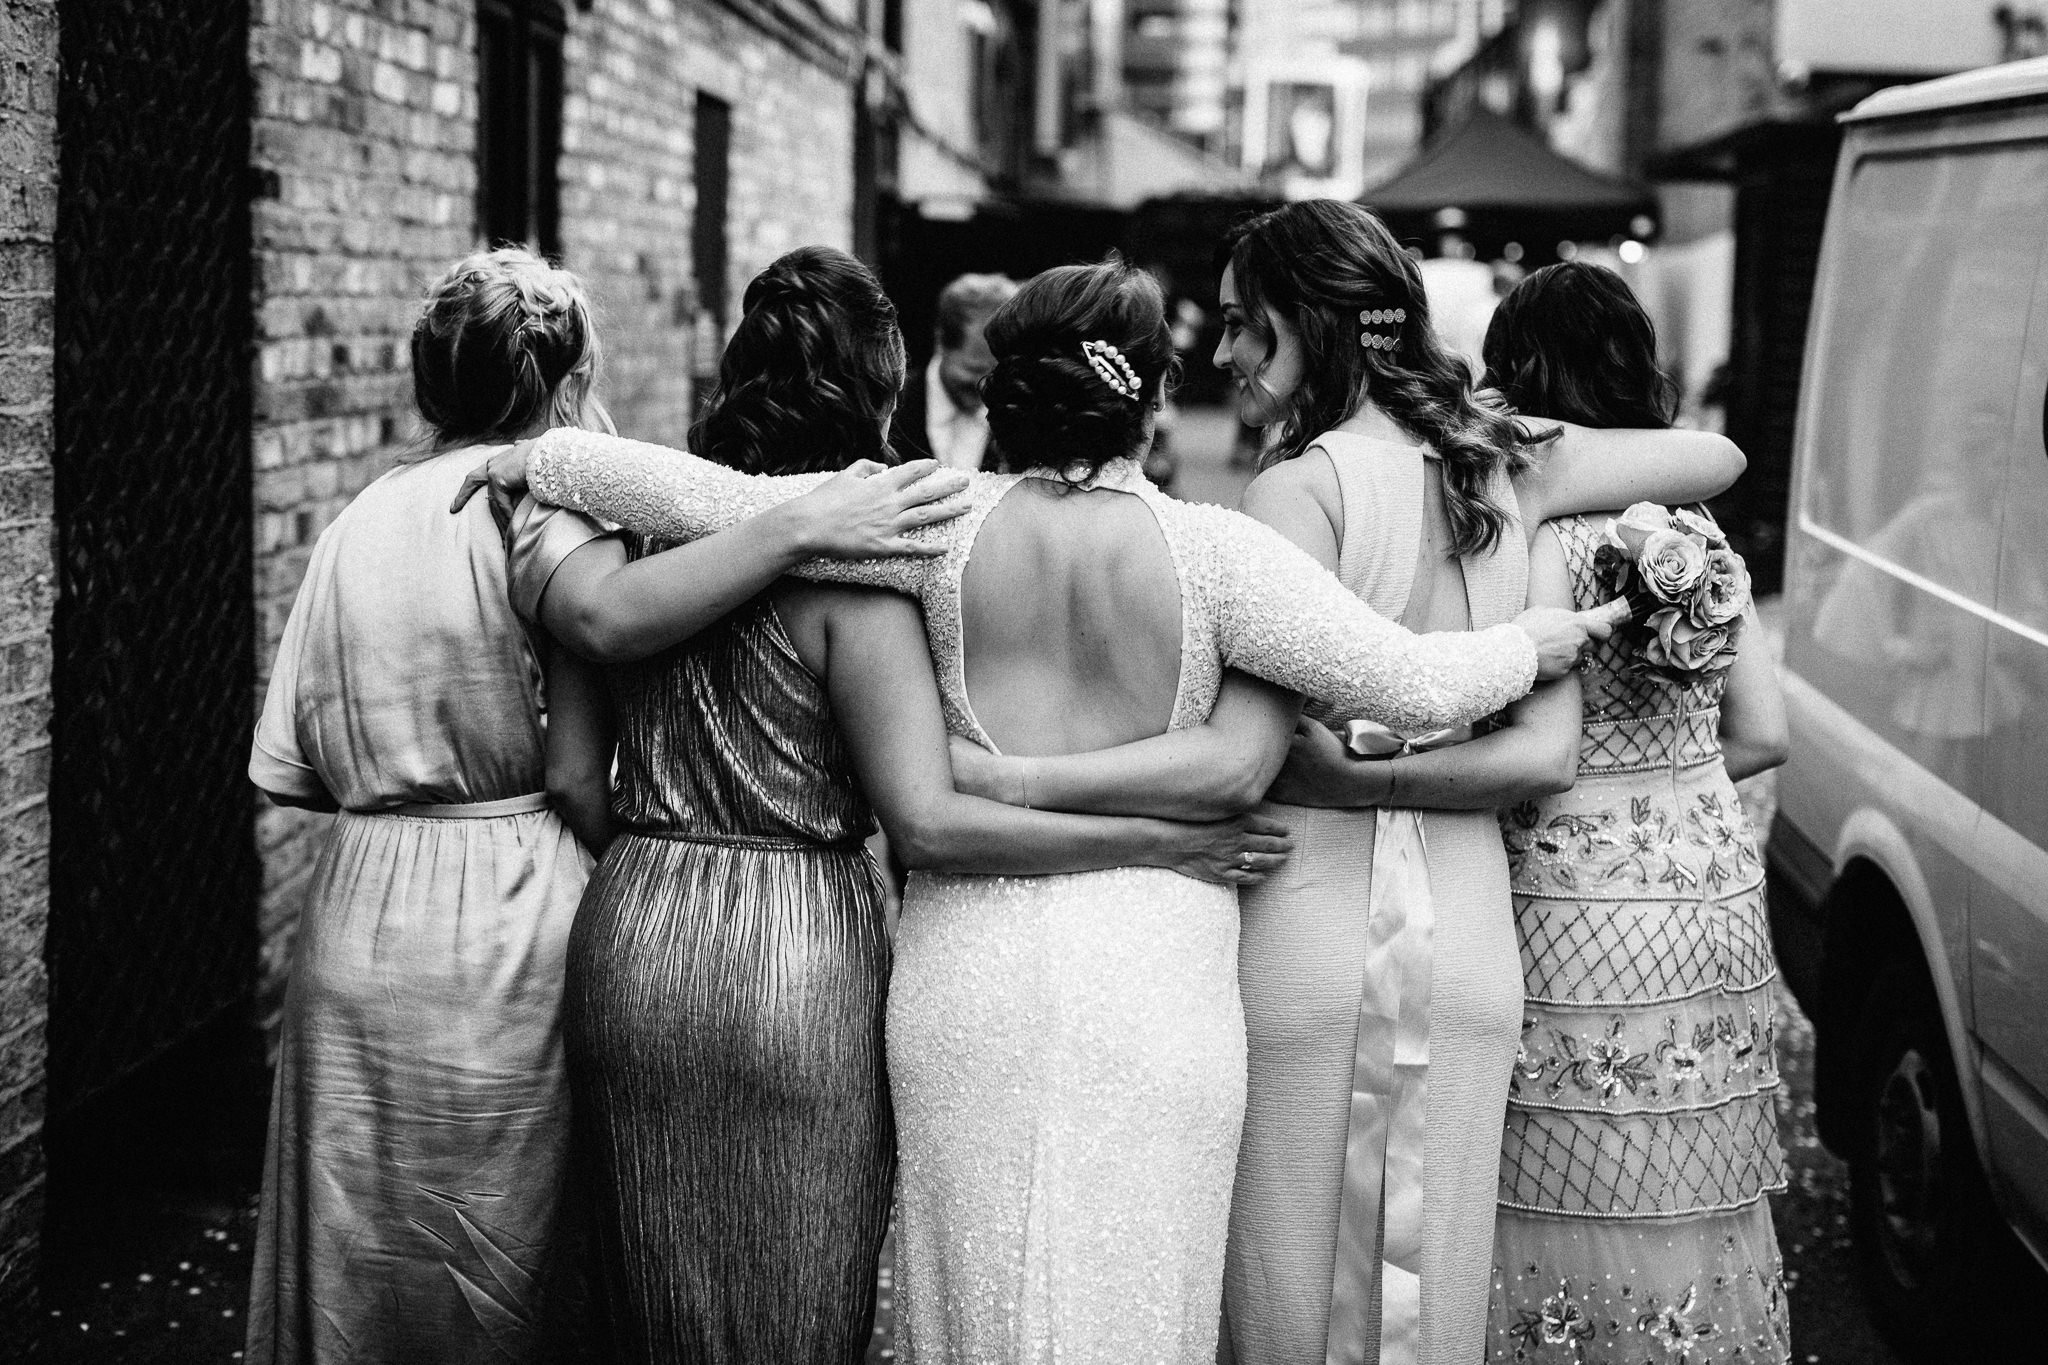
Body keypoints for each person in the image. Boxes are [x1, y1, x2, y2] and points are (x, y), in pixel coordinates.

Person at [464, 254, 1629, 1364]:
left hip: (967, 971)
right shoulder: (1220, 557)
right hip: (1157, 967)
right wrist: (1532, 642)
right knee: (1143, 1301)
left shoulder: (927, 525)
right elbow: (1417, 684)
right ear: (1150, 400)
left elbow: (705, 496)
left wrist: (539, 463)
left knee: (974, 1306)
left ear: (1005, 390)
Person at [942, 204, 1750, 1365]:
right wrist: (1515, 439)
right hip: (1469, 947)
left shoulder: (1291, 494)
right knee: (1431, 1314)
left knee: (1282, 1299)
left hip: (1308, 930)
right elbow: (1543, 749)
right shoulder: (1501, 462)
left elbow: (1255, 760)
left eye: (1239, 327)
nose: (1221, 357)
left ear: (1305, 326)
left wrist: (1341, 776)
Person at [512, 246, 1289, 1365]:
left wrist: (662, 861)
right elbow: (923, 816)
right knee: (800, 1293)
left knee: (646, 1281)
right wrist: (1167, 843)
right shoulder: (868, 577)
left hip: (635, 917)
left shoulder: (643, 539)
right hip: (797, 938)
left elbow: (575, 773)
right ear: (883, 383)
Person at [243, 247, 969, 1365]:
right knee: (512, 1261)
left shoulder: (356, 521)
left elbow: (294, 759)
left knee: (362, 1254)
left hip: (352, 906)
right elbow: (603, 664)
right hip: (506, 912)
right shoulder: (537, 503)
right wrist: (801, 526)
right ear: (563, 378)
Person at [1476, 261, 1792, 1365]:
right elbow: (1762, 733)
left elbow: (1530, 751)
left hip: (1568, 898)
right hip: (1701, 880)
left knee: (1558, 1164)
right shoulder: (1692, 529)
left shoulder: (1520, 529)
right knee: (1679, 1171)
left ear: (1514, 371)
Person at [891, 272, 1018, 470]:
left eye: (997, 373)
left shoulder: (1018, 417)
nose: (985, 385)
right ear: (941, 342)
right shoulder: (891, 410)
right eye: (973, 369)